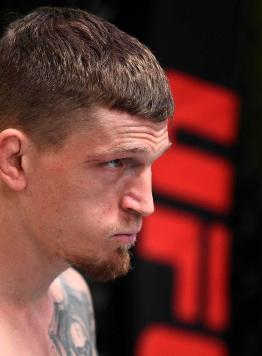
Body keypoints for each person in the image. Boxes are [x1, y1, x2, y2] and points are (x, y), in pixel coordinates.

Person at [0, 6, 174, 355]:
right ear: (15, 160)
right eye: (116, 162)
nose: (146, 204)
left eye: (149, 164)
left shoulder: (70, 296)